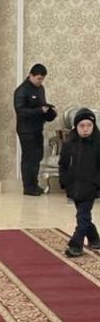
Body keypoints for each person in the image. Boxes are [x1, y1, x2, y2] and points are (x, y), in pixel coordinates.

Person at [59, 107, 100, 258]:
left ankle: (76, 245)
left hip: (90, 187)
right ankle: (94, 239)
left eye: (89, 125)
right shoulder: (69, 144)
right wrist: (65, 182)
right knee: (83, 216)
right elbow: (63, 164)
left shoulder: (98, 143)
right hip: (74, 186)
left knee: (82, 216)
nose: (85, 129)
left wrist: (96, 183)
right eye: (82, 126)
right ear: (76, 127)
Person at [13, 64, 57, 196]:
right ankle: (28, 188)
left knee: (37, 157)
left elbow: (41, 105)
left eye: (42, 79)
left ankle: (34, 185)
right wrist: (39, 110)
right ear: (31, 75)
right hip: (26, 130)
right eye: (38, 78)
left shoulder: (40, 88)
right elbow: (20, 111)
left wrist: (49, 110)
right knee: (29, 158)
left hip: (37, 128)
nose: (40, 81)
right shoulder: (21, 90)